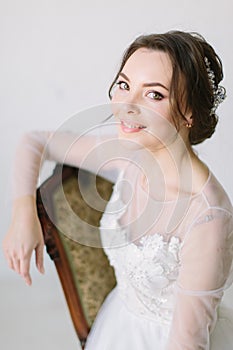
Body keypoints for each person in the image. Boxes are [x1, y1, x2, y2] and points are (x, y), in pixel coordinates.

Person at [3, 30, 233, 349]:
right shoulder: (128, 155)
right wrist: (22, 214)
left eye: (153, 94)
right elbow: (35, 142)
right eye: (124, 85)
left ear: (189, 111)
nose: (127, 106)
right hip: (119, 324)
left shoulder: (208, 219)